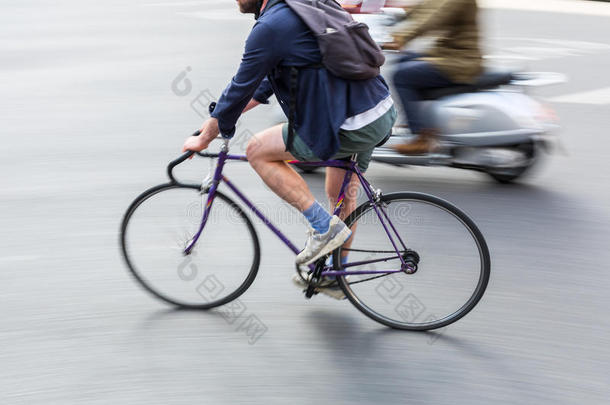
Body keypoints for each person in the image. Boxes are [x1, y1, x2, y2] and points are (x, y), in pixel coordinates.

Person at [182, 0, 397, 298]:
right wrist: (220, 118)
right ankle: (337, 275)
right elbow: (260, 87)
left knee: (257, 150)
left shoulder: (270, 27)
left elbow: (240, 87)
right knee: (339, 193)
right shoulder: (303, 6)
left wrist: (205, 136)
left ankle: (323, 229)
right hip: (376, 110)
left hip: (351, 122)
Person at [382, 0, 483, 154]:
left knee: (402, 75)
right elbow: (427, 7)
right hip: (447, 54)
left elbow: (434, 18)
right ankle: (421, 121)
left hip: (460, 61)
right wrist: (396, 14)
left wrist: (402, 37)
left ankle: (421, 137)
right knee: (404, 59)